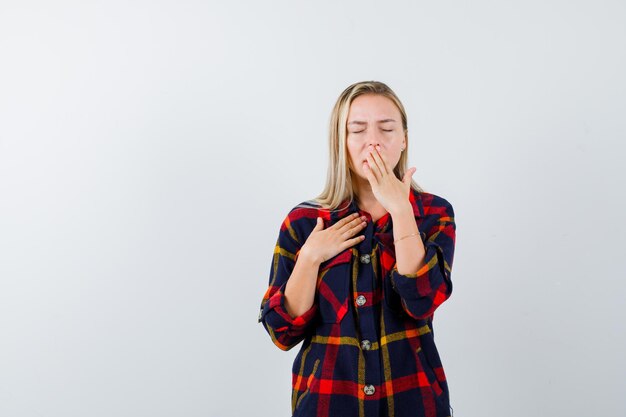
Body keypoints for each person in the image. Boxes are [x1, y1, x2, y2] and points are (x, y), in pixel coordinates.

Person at [258, 80, 457, 417]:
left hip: (414, 401)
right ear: (341, 141)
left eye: (387, 128)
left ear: (404, 138)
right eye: (358, 129)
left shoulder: (433, 214)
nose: (373, 140)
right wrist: (310, 256)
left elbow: (422, 300)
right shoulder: (304, 221)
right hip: (328, 402)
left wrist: (401, 211)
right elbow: (282, 330)